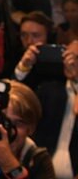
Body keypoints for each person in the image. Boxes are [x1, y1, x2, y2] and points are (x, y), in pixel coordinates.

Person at [34, 40, 78, 178]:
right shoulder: (49, 91)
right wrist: (24, 67)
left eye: (76, 58)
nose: (69, 62)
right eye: (67, 56)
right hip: (44, 171)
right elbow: (21, 106)